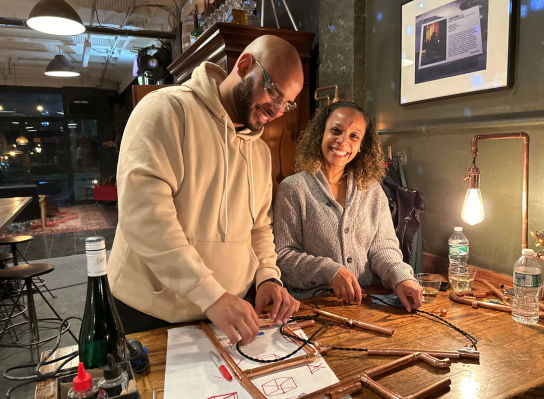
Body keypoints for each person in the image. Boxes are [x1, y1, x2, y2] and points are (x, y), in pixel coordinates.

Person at [107, 35, 303, 345]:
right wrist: (211, 295)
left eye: (287, 103)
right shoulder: (166, 110)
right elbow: (146, 219)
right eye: (274, 92)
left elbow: (259, 228)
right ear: (244, 64)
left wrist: (267, 276)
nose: (277, 110)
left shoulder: (260, 152)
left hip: (226, 313)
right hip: (151, 313)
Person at [273, 101, 423, 312]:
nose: (343, 141)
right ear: (320, 134)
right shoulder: (294, 188)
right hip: (312, 308)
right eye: (336, 130)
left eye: (354, 136)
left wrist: (401, 278)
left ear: (362, 145)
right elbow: (283, 257)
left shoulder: (372, 190)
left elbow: (383, 249)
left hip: (366, 306)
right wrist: (329, 271)